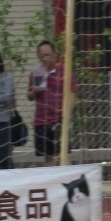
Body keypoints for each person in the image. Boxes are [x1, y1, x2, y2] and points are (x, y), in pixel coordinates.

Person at [26, 40, 76, 168]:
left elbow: (72, 94)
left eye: (47, 55)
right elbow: (29, 96)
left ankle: (67, 179)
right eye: (41, 56)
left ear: (54, 55)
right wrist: (34, 91)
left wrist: (66, 115)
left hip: (59, 119)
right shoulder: (36, 73)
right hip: (41, 121)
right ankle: (51, 180)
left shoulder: (64, 71)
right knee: (48, 157)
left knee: (63, 156)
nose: (44, 59)